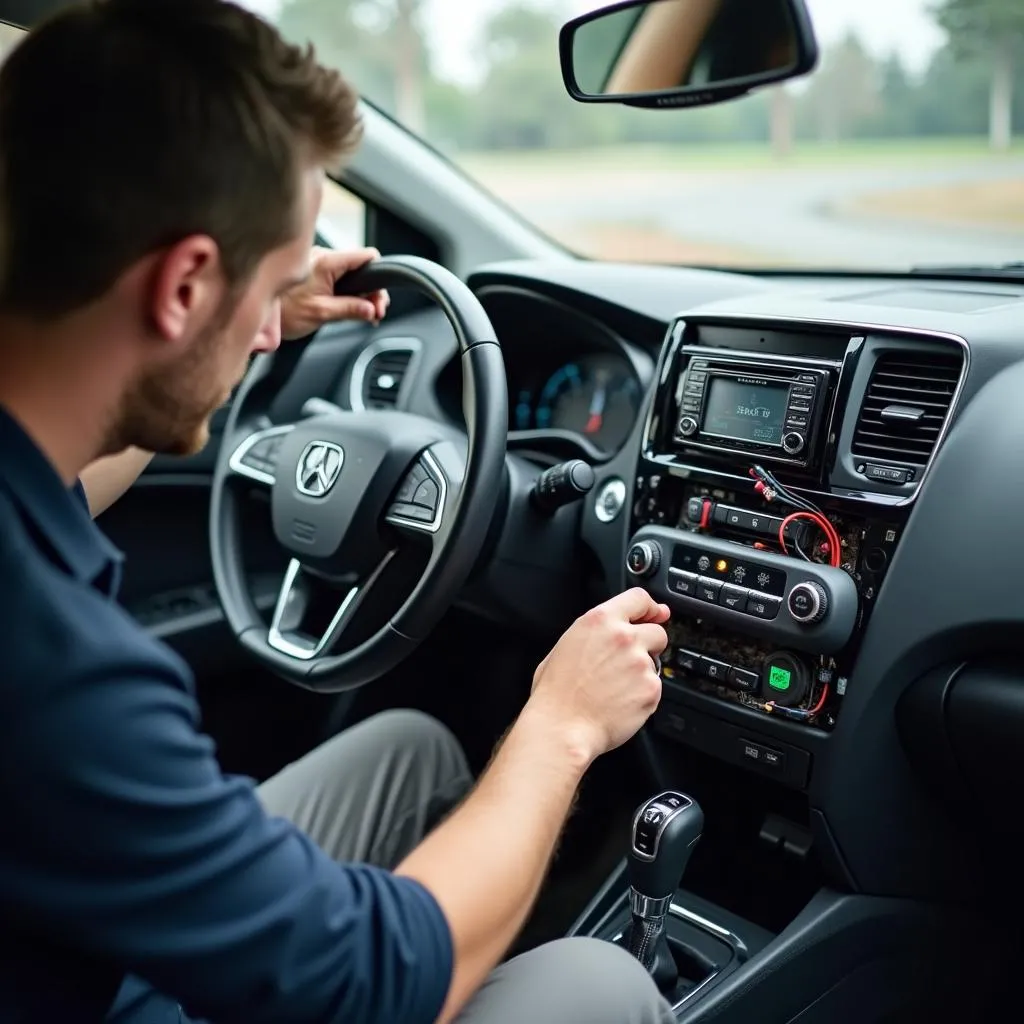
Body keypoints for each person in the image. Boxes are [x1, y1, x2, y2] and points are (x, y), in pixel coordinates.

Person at [0, 2, 676, 1023]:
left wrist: (257, 314)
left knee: (411, 748)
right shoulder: (54, 667)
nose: (272, 323)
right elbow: (381, 978)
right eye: (267, 287)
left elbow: (74, 470)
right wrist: (564, 722)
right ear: (182, 285)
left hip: (72, 952)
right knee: (602, 984)